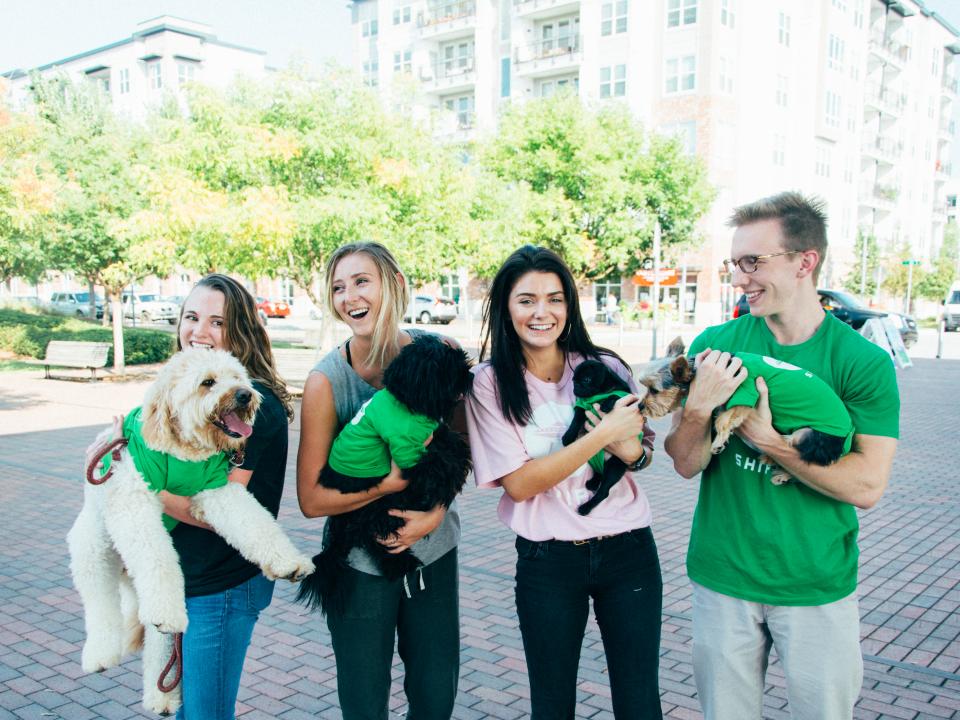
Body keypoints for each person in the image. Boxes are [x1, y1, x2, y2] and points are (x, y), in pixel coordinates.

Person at [663, 192, 900, 720]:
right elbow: (684, 461)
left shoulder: (862, 362)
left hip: (815, 585)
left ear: (804, 262)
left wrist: (769, 442)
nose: (739, 277)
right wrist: (698, 412)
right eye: (735, 263)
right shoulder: (717, 341)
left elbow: (867, 487)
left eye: (753, 262)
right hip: (723, 577)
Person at [465, 245, 662, 719]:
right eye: (526, 299)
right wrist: (605, 434)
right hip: (548, 559)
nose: (542, 312)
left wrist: (626, 444)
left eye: (555, 299)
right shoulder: (489, 383)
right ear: (505, 307)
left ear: (570, 305)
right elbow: (520, 484)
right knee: (552, 705)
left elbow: (640, 454)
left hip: (628, 550)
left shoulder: (604, 366)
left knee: (639, 703)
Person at [296, 241, 461, 720]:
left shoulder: (440, 356)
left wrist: (433, 513)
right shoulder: (327, 382)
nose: (349, 296)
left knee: (435, 698)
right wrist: (385, 487)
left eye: (361, 281)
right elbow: (310, 498)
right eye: (338, 287)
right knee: (365, 702)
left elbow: (461, 449)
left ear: (395, 285)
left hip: (434, 553)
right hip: (358, 564)